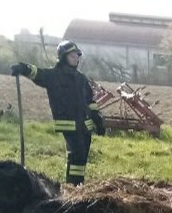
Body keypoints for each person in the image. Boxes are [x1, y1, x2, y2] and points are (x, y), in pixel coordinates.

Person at [10, 40, 106, 185]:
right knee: (77, 155)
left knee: (82, 157)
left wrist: (97, 119)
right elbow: (38, 73)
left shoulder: (81, 78)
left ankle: (77, 185)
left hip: (85, 126)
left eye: (77, 56)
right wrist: (23, 68)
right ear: (63, 57)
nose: (76, 58)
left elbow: (90, 100)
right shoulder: (54, 75)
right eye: (72, 56)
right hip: (69, 125)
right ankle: (74, 186)